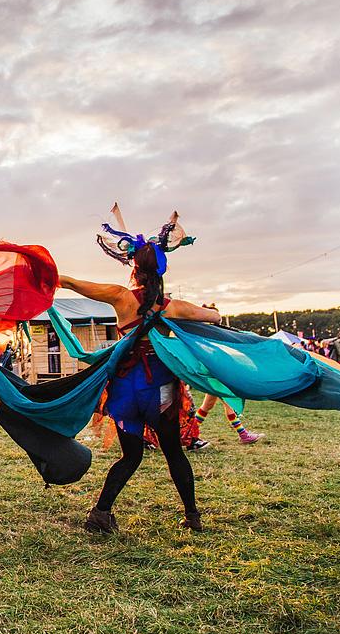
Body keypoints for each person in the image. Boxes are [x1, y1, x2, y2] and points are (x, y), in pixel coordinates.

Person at [60, 218, 220, 534]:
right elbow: (213, 317)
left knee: (131, 456)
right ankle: (192, 516)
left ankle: (101, 513)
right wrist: (204, 313)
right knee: (173, 453)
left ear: (134, 267)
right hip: (159, 390)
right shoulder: (175, 308)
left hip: (124, 391)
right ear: (161, 271)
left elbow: (72, 283)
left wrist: (48, 276)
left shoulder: (121, 297)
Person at [194, 394, 264, 444]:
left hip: (214, 377)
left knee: (208, 405)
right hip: (217, 378)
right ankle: (243, 434)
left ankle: (189, 433)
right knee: (228, 404)